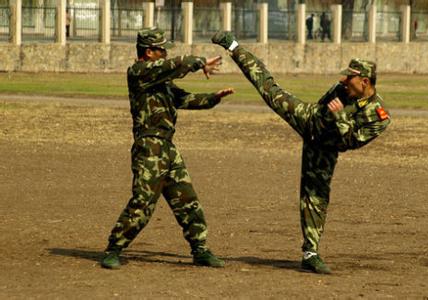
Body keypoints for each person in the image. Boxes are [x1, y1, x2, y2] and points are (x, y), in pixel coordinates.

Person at [211, 31, 391, 274]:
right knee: (269, 90)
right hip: (309, 119)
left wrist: (339, 117)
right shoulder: (341, 89)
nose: (344, 81)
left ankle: (310, 254)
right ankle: (233, 46)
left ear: (365, 82)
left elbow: (351, 142)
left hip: (325, 149)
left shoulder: (379, 116)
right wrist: (323, 117)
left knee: (316, 197)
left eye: (350, 79)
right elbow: (321, 105)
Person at [101, 27, 234, 269]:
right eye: (161, 49)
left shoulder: (162, 80)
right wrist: (199, 62)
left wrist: (214, 98)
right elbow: (176, 64)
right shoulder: (139, 72)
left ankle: (200, 249)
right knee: (143, 202)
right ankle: (114, 248)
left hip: (167, 147)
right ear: (149, 52)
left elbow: (185, 99)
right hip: (148, 146)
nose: (164, 54)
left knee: (187, 200)